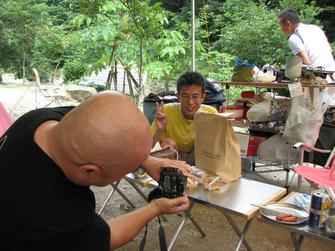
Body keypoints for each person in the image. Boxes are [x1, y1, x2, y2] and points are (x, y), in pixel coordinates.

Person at [0, 91, 190, 251]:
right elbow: (108, 236)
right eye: (128, 168)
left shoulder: (40, 119)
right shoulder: (58, 215)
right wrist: (155, 207)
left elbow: (99, 117)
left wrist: (145, 159)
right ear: (89, 172)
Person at [151, 71, 218, 165]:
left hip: (198, 158)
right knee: (167, 143)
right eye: (185, 96)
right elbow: (150, 147)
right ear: (178, 96)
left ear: (203, 97)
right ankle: (171, 175)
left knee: (208, 143)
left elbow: (218, 147)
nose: (190, 102)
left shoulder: (211, 114)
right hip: (174, 158)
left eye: (195, 96)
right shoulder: (165, 112)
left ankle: (201, 177)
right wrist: (160, 130)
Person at [278, 8, 335, 105]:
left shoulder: (293, 38)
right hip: (332, 74)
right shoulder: (315, 28)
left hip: (318, 79)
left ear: (288, 24)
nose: (281, 29)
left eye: (281, 25)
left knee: (293, 83)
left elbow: (306, 62)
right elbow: (330, 49)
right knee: (330, 110)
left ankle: (296, 110)